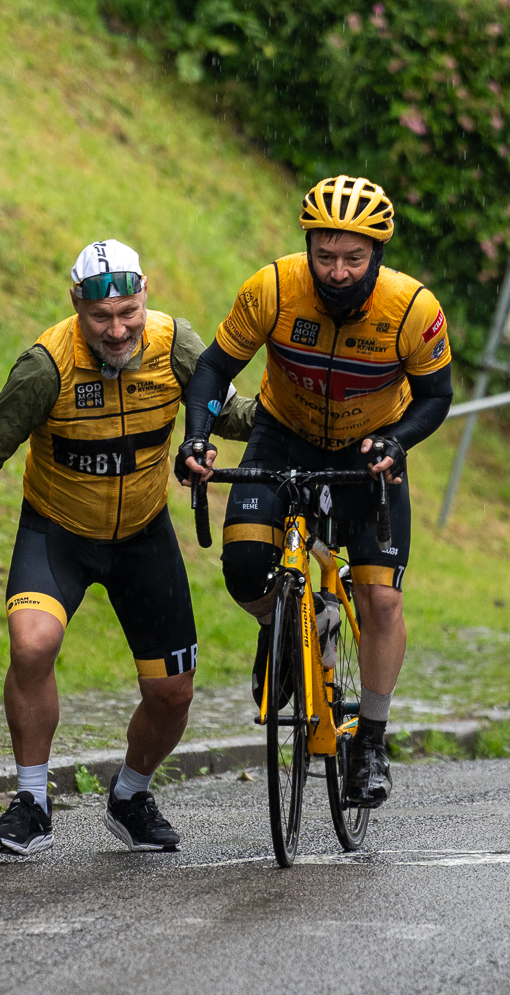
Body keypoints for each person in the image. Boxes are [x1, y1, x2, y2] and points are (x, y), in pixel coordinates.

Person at [0, 240, 254, 857]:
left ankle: (130, 795)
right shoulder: (46, 367)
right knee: (31, 644)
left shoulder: (176, 345)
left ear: (145, 298)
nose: (117, 331)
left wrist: (303, 406)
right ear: (76, 306)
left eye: (128, 314)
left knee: (173, 693)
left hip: (143, 535)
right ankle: (31, 803)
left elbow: (228, 413)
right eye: (100, 318)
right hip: (57, 532)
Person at [175, 176, 453, 809]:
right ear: (308, 247)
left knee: (380, 598)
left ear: (376, 255)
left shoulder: (412, 309)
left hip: (368, 451)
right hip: (284, 436)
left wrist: (397, 442)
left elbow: (436, 396)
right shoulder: (273, 288)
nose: (337, 271)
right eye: (325, 255)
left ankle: (372, 742)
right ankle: (281, 623)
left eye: (354, 258)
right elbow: (215, 367)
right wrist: (196, 438)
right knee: (244, 566)